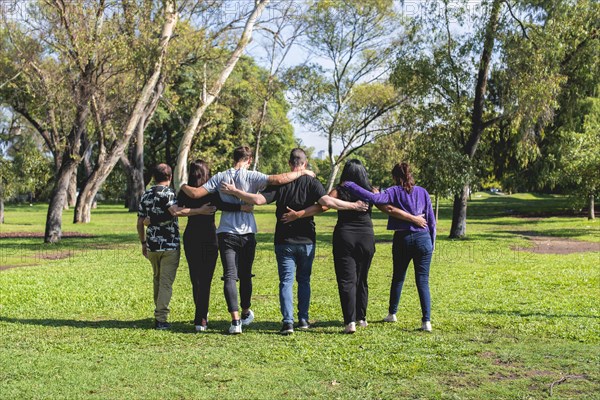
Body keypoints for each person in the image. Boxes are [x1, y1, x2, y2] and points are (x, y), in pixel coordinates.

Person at [220, 148, 369, 335]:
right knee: (304, 281)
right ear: (305, 164)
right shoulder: (312, 182)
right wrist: (354, 205)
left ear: (290, 164)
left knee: (286, 282)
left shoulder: (281, 185)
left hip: (284, 240)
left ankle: (288, 323)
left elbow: (258, 200)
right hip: (307, 240)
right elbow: (327, 203)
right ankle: (304, 320)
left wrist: (236, 192)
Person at [180, 146, 316, 334]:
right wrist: (303, 171)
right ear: (249, 159)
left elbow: (195, 194)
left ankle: (235, 321)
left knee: (229, 275)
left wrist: (182, 185)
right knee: (245, 275)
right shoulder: (253, 176)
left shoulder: (220, 177)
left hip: (226, 231)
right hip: (247, 233)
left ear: (233, 158)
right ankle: (245, 312)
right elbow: (278, 179)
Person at [282, 159, 426, 334]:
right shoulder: (372, 191)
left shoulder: (339, 190)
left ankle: (349, 322)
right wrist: (414, 218)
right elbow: (388, 208)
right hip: (366, 238)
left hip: (345, 237)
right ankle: (361, 318)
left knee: (346, 280)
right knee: (362, 279)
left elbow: (322, 206)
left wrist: (299, 214)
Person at [342, 162, 436, 331]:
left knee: (398, 276)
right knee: (423, 281)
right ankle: (426, 321)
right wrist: (432, 243)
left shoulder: (393, 191)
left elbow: (374, 199)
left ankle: (392, 313)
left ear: (394, 177)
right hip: (424, 238)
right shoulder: (423, 192)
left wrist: (350, 185)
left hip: (403, 238)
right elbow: (431, 220)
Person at [168, 160, 253, 332]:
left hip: (191, 236)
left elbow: (176, 210)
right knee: (205, 280)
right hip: (209, 236)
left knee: (195, 279)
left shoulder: (185, 191)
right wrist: (242, 206)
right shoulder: (212, 190)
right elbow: (225, 205)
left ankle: (201, 317)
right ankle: (201, 320)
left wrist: (194, 211)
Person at [136, 163, 180, 330]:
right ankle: (161, 318)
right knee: (166, 282)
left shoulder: (146, 195)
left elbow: (140, 222)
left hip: (152, 245)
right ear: (169, 177)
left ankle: (158, 312)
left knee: (157, 279)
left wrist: (143, 243)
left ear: (154, 177)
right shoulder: (169, 193)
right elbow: (175, 212)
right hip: (170, 245)